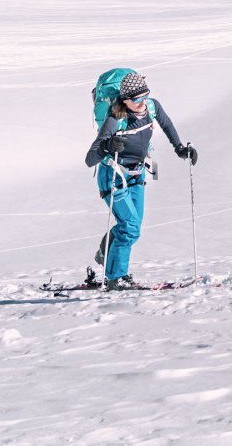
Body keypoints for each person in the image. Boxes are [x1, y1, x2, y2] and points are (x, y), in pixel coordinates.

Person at [84, 71, 196, 290]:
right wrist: (107, 146)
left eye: (145, 95)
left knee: (132, 227)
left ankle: (105, 252)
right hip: (113, 177)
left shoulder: (152, 107)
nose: (142, 102)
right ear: (125, 100)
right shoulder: (115, 119)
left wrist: (180, 149)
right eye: (136, 99)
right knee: (130, 228)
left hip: (137, 174)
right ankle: (116, 278)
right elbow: (90, 159)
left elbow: (167, 125)